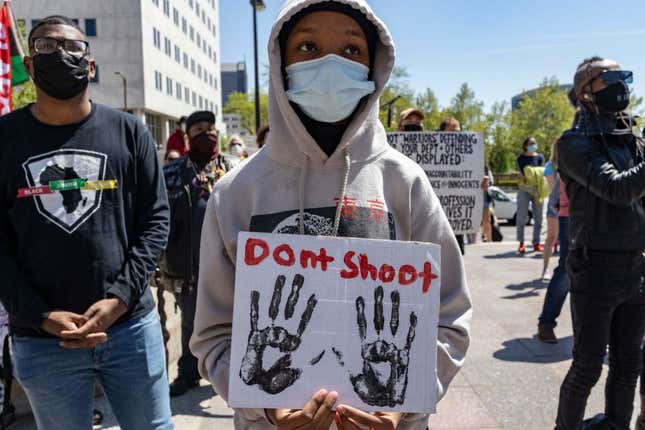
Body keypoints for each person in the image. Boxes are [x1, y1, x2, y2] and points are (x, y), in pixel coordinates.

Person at [190, 1, 472, 429]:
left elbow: (450, 318)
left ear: (374, 66)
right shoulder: (235, 193)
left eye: (352, 50)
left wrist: (404, 398)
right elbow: (213, 336)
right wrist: (265, 402)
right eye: (307, 46)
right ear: (280, 63)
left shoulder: (406, 182)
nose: (330, 63)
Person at [0, 16, 173, 429]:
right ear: (29, 61)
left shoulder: (131, 133)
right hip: (43, 342)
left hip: (130, 329)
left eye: (72, 46)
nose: (60, 54)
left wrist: (119, 299)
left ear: (90, 64)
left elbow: (156, 220)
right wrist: (40, 314)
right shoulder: (4, 139)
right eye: (46, 46)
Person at [555, 57, 645, 429]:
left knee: (628, 366)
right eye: (610, 77)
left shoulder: (633, 140)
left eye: (624, 75)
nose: (621, 83)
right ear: (585, 92)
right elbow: (617, 188)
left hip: (637, 268)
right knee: (588, 365)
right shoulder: (573, 143)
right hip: (596, 269)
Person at [162, 110, 230, 397]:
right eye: (199, 129)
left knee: (232, 322)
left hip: (230, 264)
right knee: (192, 322)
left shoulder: (236, 169)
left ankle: (230, 374)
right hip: (189, 265)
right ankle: (188, 373)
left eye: (211, 128)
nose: (208, 133)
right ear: (188, 137)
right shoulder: (172, 174)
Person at [537, 139, 570, 344]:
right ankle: (547, 323)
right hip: (571, 213)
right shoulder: (561, 161)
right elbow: (555, 192)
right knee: (566, 268)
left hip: (594, 215)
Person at [438, 117, 467, 254]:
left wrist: (483, 185)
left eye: (458, 133)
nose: (455, 137)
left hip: (457, 219)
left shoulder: (469, 154)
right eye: (451, 133)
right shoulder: (433, 151)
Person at [516, 137, 545, 254]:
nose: (534, 145)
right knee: (521, 216)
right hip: (524, 189)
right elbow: (522, 174)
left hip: (537, 190)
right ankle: (521, 243)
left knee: (538, 218)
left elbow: (542, 171)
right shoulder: (520, 158)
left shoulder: (540, 157)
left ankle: (536, 243)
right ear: (525, 146)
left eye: (535, 143)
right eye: (531, 143)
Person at [541, 140, 560, 280]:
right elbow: (554, 189)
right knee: (551, 237)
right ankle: (545, 268)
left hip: (569, 206)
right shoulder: (550, 166)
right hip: (556, 205)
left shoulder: (571, 163)